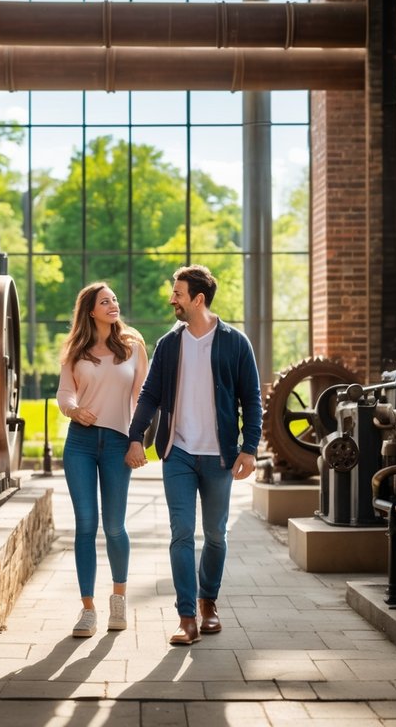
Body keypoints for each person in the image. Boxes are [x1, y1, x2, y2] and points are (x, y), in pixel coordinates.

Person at [126, 264, 262, 645]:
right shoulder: (170, 344)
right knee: (182, 533)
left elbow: (251, 399)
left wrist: (250, 448)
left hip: (219, 457)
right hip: (179, 452)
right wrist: (136, 436)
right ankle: (186, 616)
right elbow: (151, 394)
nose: (172, 299)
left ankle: (208, 604)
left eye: (178, 293)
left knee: (216, 535)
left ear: (198, 299)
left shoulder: (236, 342)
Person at [56, 282, 150, 637]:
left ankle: (118, 600)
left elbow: (144, 396)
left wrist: (137, 440)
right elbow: (65, 393)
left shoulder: (132, 346)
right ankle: (87, 609)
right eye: (104, 301)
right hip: (79, 443)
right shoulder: (76, 351)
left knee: (114, 526)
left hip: (117, 443)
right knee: (85, 524)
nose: (113, 304)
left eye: (114, 299)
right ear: (90, 310)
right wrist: (74, 410)